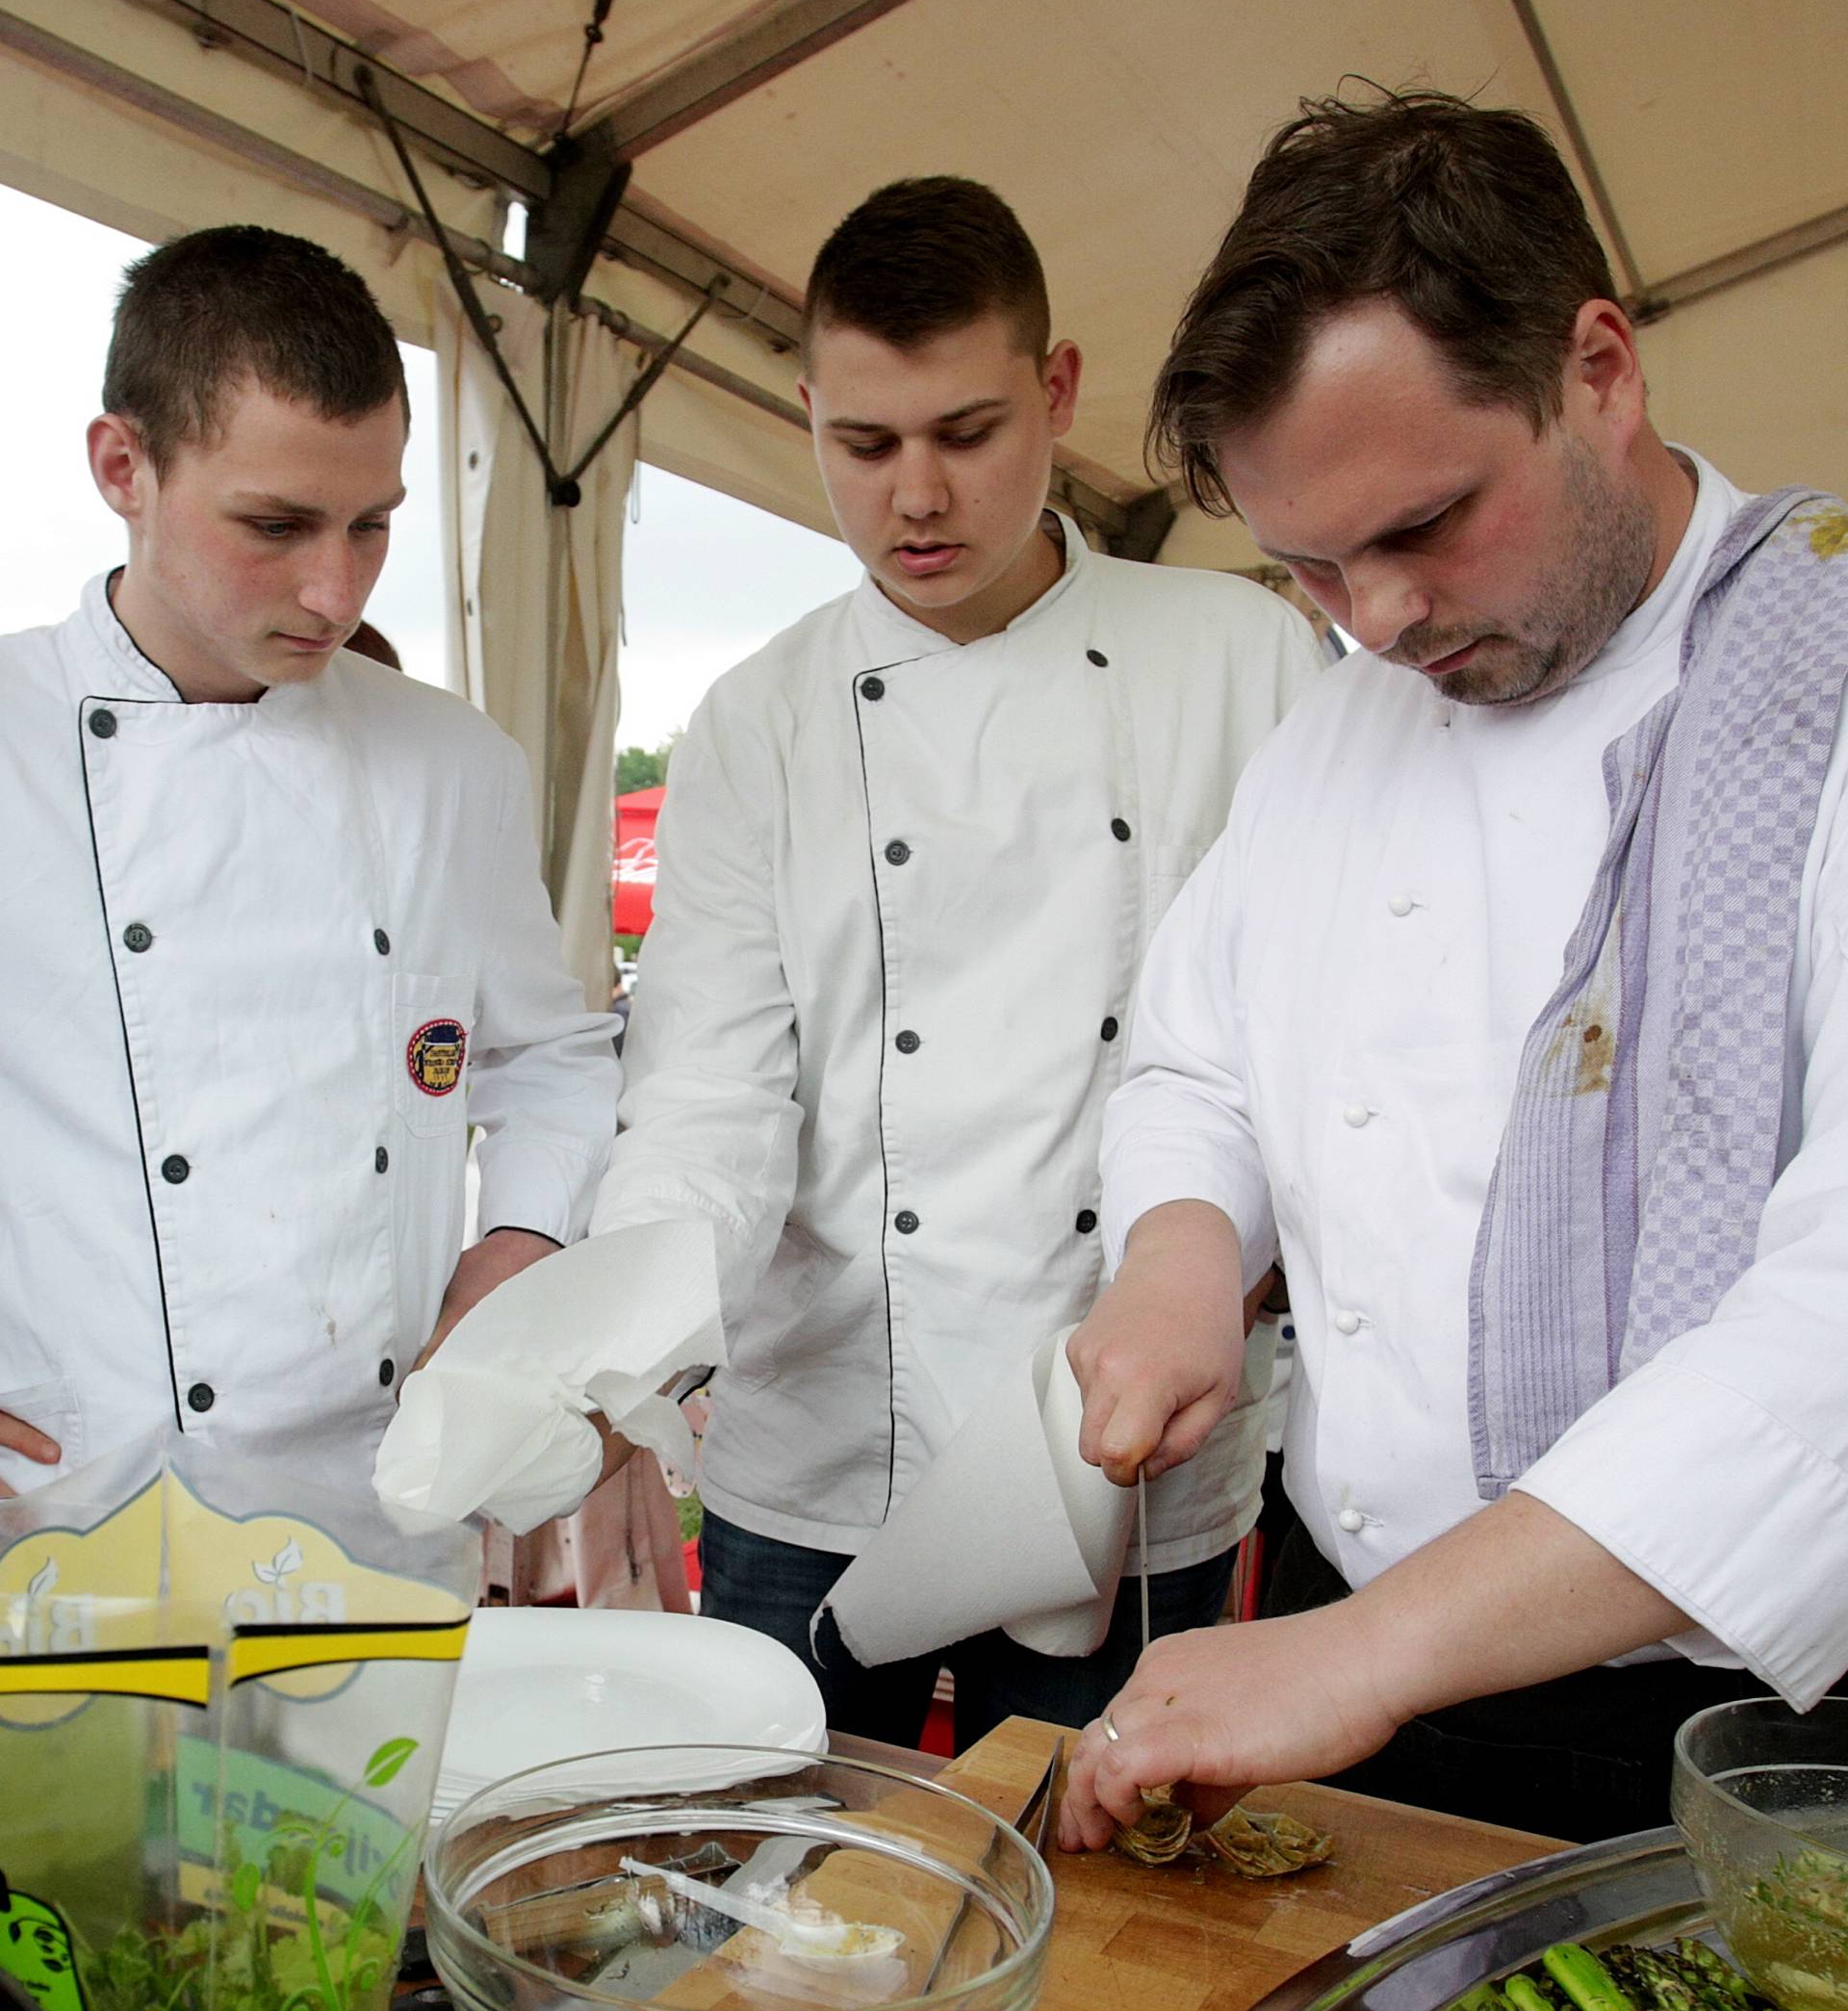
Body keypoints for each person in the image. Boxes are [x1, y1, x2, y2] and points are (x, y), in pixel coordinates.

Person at [1060, 90, 1848, 1851]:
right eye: (1311, 566)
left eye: (1422, 525)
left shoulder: (1830, 669)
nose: (1380, 619)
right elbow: (1200, 1065)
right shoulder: (1338, 732)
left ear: (1598, 369)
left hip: (1750, 1734)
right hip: (1366, 1673)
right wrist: (1187, 1260)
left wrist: (1367, 1653)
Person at [593, 177, 1322, 1747]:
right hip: (823, 1441)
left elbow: (1295, 1048)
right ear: (807, 415)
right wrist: (613, 1360)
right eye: (863, 445)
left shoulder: (1244, 660)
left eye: (967, 433)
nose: (915, 496)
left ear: (1056, 393)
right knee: (765, 1883)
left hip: (1122, 1431)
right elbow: (708, 1092)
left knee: (1088, 1905)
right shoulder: (758, 720)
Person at [0, 225, 616, 1504]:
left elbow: (549, 1056)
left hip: (370, 1483)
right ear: (125, 466)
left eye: (373, 527)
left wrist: (521, 1236)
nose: (335, 592)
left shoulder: (455, 766)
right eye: (275, 526)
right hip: (61, 1481)